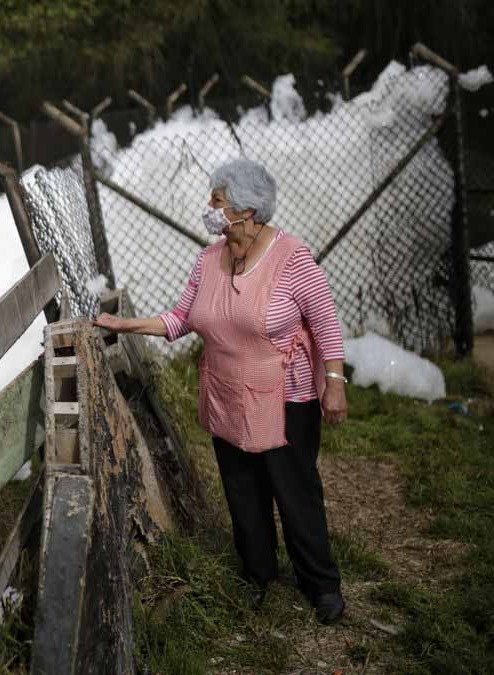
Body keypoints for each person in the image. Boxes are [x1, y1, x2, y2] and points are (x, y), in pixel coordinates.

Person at [93, 158, 349, 625]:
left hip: (285, 399)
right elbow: (181, 319)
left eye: (218, 200)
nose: (209, 208)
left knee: (295, 493)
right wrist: (124, 323)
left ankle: (321, 584)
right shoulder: (208, 259)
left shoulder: (294, 259)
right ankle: (259, 576)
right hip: (227, 394)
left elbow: (326, 324)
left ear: (248, 211)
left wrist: (333, 383)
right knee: (242, 490)